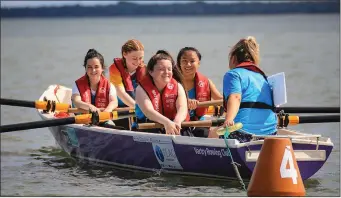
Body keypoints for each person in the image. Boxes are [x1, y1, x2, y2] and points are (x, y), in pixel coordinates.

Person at [221, 36, 277, 143]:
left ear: (233, 58)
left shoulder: (233, 74)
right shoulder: (262, 77)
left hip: (243, 132)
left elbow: (236, 97)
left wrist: (229, 119)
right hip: (270, 133)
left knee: (213, 133)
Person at [133, 50, 189, 135]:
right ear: (151, 72)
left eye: (169, 69)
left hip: (173, 124)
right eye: (161, 69)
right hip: (148, 127)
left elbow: (182, 108)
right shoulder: (141, 89)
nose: (166, 72)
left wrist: (177, 122)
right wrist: (167, 123)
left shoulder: (178, 86)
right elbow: (149, 111)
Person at [176, 47, 223, 137]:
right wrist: (186, 102)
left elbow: (220, 100)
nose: (188, 64)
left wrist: (235, 98)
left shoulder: (206, 82)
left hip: (199, 122)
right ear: (179, 63)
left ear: (199, 63)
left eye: (192, 61)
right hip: (179, 122)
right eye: (184, 61)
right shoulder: (172, 82)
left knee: (209, 132)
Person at [71, 48, 118, 126]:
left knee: (111, 125)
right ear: (85, 68)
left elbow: (114, 102)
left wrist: (107, 110)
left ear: (102, 68)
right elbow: (76, 101)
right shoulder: (77, 84)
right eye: (89, 67)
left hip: (102, 118)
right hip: (82, 119)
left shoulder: (109, 85)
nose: (93, 70)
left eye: (96, 67)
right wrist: (90, 107)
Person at [109, 39, 146, 129]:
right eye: (134, 58)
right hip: (119, 108)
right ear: (124, 54)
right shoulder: (114, 68)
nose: (138, 62)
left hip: (138, 108)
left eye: (140, 58)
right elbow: (120, 93)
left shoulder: (144, 69)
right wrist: (139, 108)